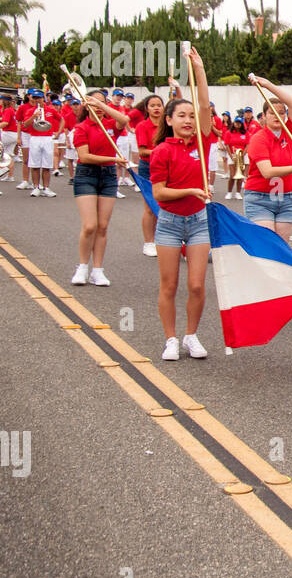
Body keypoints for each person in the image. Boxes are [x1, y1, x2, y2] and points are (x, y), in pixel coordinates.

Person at [149, 48, 216, 361]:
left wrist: (199, 69)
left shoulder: (203, 141)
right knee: (169, 285)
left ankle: (191, 335)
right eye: (182, 116)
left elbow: (204, 103)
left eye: (191, 116)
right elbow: (160, 194)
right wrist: (192, 189)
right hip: (170, 223)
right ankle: (171, 339)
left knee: (198, 286)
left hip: (199, 221)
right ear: (170, 120)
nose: (189, 120)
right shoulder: (162, 151)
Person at [70, 90, 131, 286]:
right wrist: (114, 159)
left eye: (102, 102)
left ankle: (98, 269)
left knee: (103, 227)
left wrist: (103, 106)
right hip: (86, 174)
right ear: (86, 106)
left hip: (108, 176)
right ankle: (82, 267)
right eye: (93, 102)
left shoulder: (111, 125)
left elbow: (124, 119)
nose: (98, 105)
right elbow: (85, 156)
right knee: (90, 226)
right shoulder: (81, 127)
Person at [243, 77, 292, 239]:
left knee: (281, 249)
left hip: (286, 197)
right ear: (264, 116)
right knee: (267, 246)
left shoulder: (290, 132)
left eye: (281, 113)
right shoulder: (258, 138)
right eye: (272, 113)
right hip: (260, 198)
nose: (277, 116)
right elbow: (267, 172)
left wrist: (267, 84)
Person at [134, 94, 165, 255]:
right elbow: (142, 151)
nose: (156, 108)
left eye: (159, 105)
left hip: (166, 166)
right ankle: (148, 242)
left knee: (165, 206)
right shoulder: (142, 126)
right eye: (152, 105)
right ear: (147, 108)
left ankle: (162, 240)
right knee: (150, 208)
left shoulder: (168, 124)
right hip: (148, 166)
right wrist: (160, 152)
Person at [20, 90, 63, 198]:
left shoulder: (50, 110)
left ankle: (46, 188)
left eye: (39, 98)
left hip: (48, 138)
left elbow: (62, 119)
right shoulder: (30, 111)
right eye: (34, 98)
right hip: (35, 138)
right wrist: (34, 116)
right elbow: (25, 124)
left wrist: (58, 132)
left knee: (47, 165)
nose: (37, 100)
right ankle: (36, 187)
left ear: (43, 99)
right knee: (35, 165)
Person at [221, 117, 249, 201]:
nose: (238, 124)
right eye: (236, 122)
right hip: (232, 155)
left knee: (240, 176)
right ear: (234, 123)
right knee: (232, 175)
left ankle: (237, 193)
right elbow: (227, 145)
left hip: (242, 155)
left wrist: (242, 155)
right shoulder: (229, 133)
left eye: (239, 123)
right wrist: (231, 156)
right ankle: (229, 192)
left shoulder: (245, 133)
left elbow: (247, 144)